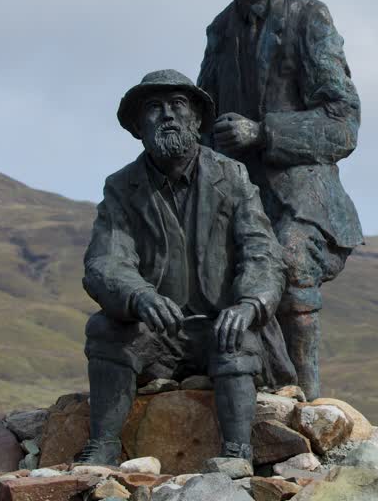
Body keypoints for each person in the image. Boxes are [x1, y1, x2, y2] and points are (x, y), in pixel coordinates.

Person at [76, 69, 290, 465]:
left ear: (196, 120)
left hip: (219, 324)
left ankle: (237, 452)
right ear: (139, 127)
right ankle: (103, 445)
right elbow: (105, 260)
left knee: (237, 337)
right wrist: (138, 296)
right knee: (105, 329)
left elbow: (262, 252)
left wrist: (248, 305)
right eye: (154, 109)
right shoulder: (122, 187)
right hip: (159, 332)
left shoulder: (233, 177)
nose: (168, 116)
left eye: (178, 106)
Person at [197, 0, 363, 401]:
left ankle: (308, 404)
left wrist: (264, 133)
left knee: (288, 261)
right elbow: (204, 116)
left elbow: (343, 122)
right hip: (239, 196)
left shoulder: (309, 18)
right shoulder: (220, 31)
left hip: (303, 197)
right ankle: (239, 392)